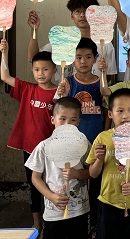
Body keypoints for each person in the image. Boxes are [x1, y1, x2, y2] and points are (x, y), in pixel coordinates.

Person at [0, 38, 57, 233]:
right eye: (36, 69)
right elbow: (5, 76)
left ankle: (52, 222)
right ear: (32, 70)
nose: (41, 73)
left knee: (52, 185)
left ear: (54, 70)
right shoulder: (27, 89)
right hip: (30, 148)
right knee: (34, 184)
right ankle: (37, 223)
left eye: (45, 69)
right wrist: (4, 52)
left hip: (52, 149)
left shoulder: (59, 93)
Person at [55, 37, 110, 236]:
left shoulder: (100, 83)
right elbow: (60, 109)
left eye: (88, 57)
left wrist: (105, 134)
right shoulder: (68, 83)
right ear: (73, 59)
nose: (83, 61)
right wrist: (61, 94)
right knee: (76, 183)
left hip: (95, 142)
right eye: (78, 57)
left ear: (95, 59)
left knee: (95, 182)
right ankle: (75, 220)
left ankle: (94, 223)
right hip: (73, 144)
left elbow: (107, 111)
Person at [86, 89, 130, 239]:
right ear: (110, 114)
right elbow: (92, 173)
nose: (125, 115)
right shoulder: (102, 138)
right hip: (109, 202)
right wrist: (99, 160)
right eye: (120, 111)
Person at [25, 97, 91, 239]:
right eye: (62, 119)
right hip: (53, 213)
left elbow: (91, 173)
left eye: (73, 120)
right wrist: (51, 196)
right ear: (53, 120)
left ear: (78, 122)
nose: (67, 125)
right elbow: (35, 178)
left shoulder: (83, 144)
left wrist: (77, 174)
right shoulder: (43, 147)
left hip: (79, 210)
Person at [27, 0, 118, 85]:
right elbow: (33, 58)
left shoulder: (105, 44)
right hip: (64, 93)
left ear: (94, 16)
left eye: (86, 11)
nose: (82, 15)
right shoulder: (61, 41)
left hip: (94, 92)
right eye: (77, 11)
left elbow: (108, 77)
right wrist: (34, 29)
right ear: (72, 15)